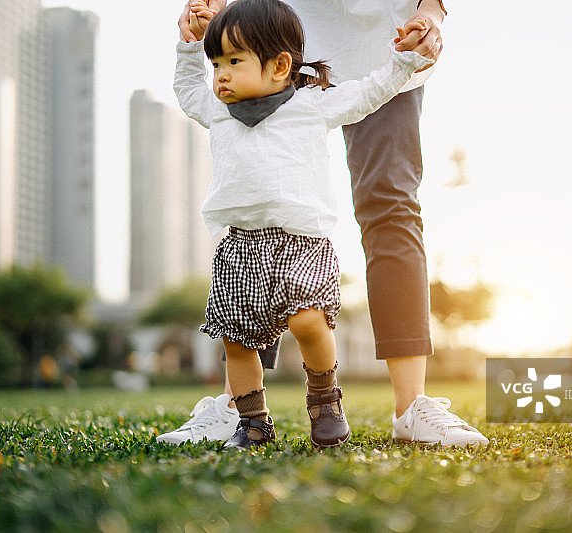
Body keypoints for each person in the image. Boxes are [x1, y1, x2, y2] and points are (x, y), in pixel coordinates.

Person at [158, 0, 489, 448]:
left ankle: (397, 405)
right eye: (216, 64)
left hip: (380, 43)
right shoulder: (219, 104)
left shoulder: (312, 105)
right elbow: (188, 87)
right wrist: (198, 36)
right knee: (236, 330)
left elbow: (372, 92)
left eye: (227, 63)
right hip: (265, 26)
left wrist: (421, 28)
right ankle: (242, 412)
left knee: (386, 208)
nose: (218, 73)